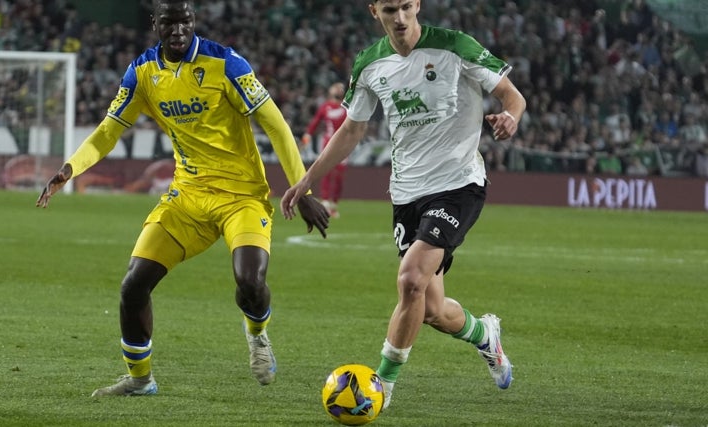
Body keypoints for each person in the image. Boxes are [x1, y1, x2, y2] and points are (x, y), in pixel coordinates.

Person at [36, 0, 329, 397]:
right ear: (155, 23)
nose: (178, 29)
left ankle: (257, 334)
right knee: (133, 286)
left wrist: (303, 188)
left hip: (241, 196)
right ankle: (140, 380)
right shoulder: (143, 72)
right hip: (187, 198)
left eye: (185, 21)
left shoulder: (226, 63)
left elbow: (275, 125)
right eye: (169, 22)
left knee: (250, 282)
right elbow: (109, 129)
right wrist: (70, 168)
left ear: (193, 22)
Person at [281, 0, 525, 411]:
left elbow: (510, 95)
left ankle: (381, 388)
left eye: (407, 6)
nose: (400, 17)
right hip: (406, 193)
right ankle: (485, 334)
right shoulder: (370, 63)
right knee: (430, 308)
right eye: (390, 8)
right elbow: (353, 128)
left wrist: (511, 116)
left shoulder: (455, 46)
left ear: (418, 6)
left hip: (458, 185)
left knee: (410, 278)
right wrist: (308, 179)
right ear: (373, 10)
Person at [301, 82, 349, 218]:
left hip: (343, 145)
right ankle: (326, 202)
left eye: (340, 87)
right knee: (326, 172)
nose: (338, 89)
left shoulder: (346, 107)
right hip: (328, 143)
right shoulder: (326, 107)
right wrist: (307, 135)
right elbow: (315, 122)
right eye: (335, 87)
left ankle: (334, 203)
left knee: (339, 175)